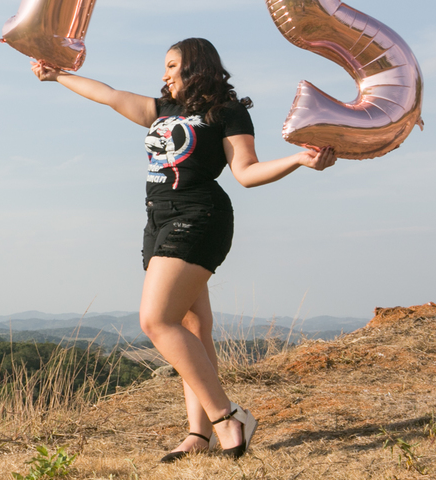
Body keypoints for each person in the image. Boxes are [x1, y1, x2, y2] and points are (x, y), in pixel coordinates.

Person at [32, 37, 334, 462]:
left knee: (156, 320)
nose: (164, 73)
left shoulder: (226, 112)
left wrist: (298, 161)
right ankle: (198, 434)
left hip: (199, 216)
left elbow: (246, 172)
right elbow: (109, 95)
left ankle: (228, 416)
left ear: (194, 67)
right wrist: (58, 75)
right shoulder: (162, 109)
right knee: (192, 327)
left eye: (172, 65)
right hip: (158, 219)